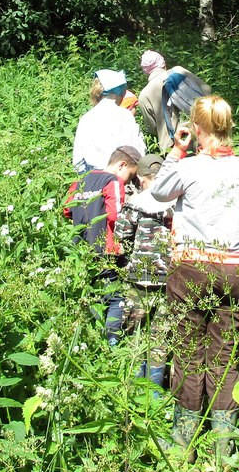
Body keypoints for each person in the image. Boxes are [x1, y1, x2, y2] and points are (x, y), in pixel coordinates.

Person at [150, 95, 239, 462]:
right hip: (234, 271)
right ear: (228, 127)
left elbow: (157, 191)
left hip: (191, 271)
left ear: (196, 128)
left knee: (188, 351)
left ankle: (183, 440)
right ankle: (223, 446)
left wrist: (174, 150)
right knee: (225, 356)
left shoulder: (189, 168)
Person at [64, 145, 142, 345]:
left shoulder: (81, 179)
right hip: (107, 250)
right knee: (116, 298)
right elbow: (116, 215)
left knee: (94, 296)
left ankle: (95, 341)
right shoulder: (113, 181)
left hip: (82, 251)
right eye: (131, 176)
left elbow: (67, 210)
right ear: (122, 164)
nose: (129, 181)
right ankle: (112, 342)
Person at [113, 153, 174, 392]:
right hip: (167, 278)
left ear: (142, 178)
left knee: (133, 333)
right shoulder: (175, 203)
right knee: (160, 339)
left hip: (139, 277)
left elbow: (121, 236)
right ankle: (155, 393)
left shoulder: (136, 202)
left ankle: (133, 390)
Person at [72, 69, 146, 174]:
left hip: (93, 181)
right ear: (120, 92)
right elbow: (136, 151)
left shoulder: (86, 118)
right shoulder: (124, 115)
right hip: (120, 178)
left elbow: (78, 161)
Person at [136, 51, 211, 152]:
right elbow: (206, 90)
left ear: (145, 71)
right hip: (202, 133)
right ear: (163, 63)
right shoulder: (179, 71)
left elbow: (152, 128)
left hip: (173, 146)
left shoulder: (143, 95)